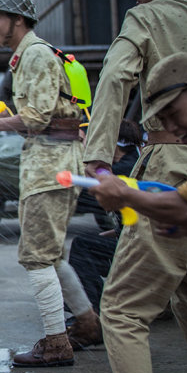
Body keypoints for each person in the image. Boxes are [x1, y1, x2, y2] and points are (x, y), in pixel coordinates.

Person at [81, 0, 187, 373]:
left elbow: (114, 80)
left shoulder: (148, 19)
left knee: (122, 307)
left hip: (170, 168)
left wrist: (98, 161)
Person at [0, 0, 99, 368]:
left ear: (18, 19)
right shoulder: (29, 55)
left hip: (50, 165)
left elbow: (39, 117)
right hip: (51, 160)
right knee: (52, 254)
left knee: (36, 256)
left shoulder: (36, 55)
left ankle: (57, 343)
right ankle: (88, 325)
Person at [67, 120, 143, 314]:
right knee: (89, 247)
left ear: (113, 143)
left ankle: (93, 313)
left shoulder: (124, 169)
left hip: (141, 245)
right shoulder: (128, 162)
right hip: (131, 237)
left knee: (82, 247)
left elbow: (82, 192)